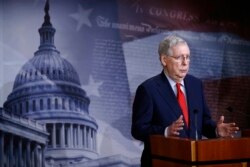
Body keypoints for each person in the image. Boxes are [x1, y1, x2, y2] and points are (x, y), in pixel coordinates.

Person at [131, 35, 239, 167]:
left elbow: (203, 121)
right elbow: (138, 129)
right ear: (164, 60)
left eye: (187, 57)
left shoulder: (195, 84)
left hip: (194, 161)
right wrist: (165, 131)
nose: (185, 62)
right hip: (162, 162)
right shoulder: (148, 89)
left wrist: (216, 130)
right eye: (179, 57)